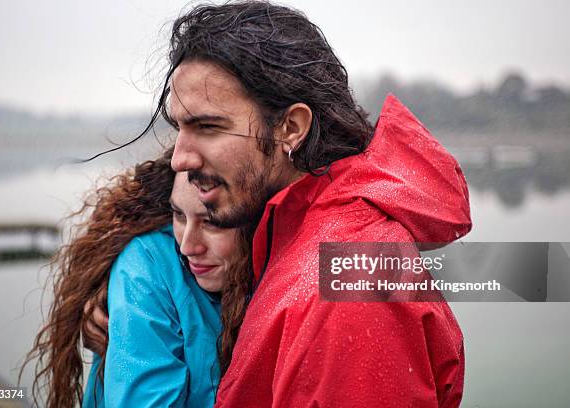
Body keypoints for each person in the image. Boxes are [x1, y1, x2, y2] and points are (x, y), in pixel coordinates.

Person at [86, 1, 472, 406]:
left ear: (291, 128)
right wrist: (133, 313)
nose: (180, 158)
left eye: (208, 127)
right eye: (179, 127)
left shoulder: (347, 293)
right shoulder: (290, 236)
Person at [22, 149, 252, 408]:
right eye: (178, 214)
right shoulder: (147, 266)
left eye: (212, 222)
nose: (188, 246)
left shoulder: (281, 267)